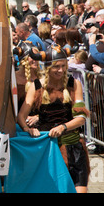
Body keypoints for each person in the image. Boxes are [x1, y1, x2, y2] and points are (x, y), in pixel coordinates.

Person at [18, 44, 90, 193]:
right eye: (57, 66)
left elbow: (81, 117)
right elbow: (21, 116)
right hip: (48, 149)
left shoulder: (74, 84)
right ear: (48, 67)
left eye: (64, 66)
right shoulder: (36, 86)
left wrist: (63, 127)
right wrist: (28, 129)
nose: (61, 70)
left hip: (73, 148)